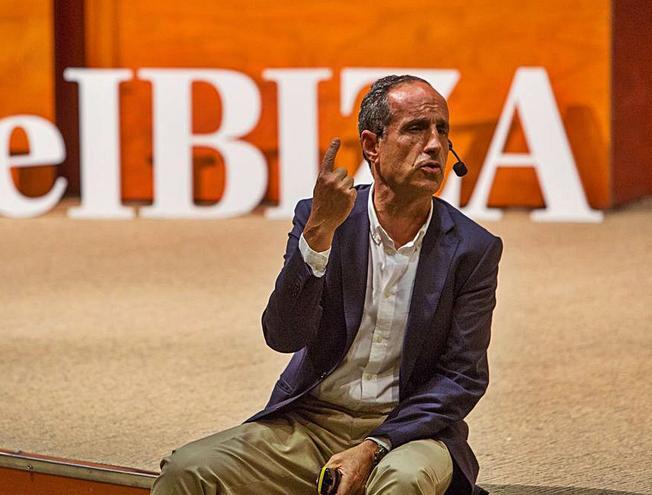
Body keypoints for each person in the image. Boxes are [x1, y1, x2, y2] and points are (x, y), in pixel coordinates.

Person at [151, 75, 503, 495]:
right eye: (415, 129)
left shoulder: (472, 248)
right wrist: (318, 233)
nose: (434, 145)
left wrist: (374, 445)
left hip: (410, 432)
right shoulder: (325, 219)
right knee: (189, 469)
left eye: (442, 130)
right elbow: (282, 335)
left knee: (401, 481)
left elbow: (462, 377)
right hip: (310, 421)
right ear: (372, 146)